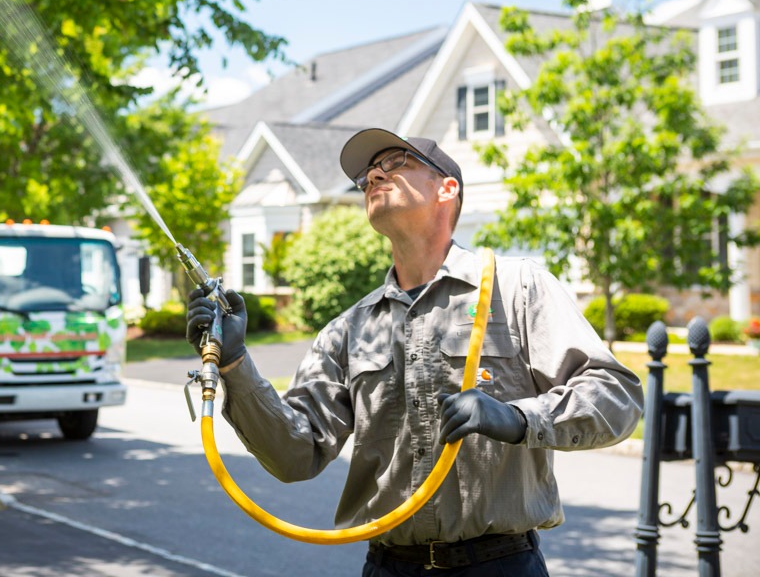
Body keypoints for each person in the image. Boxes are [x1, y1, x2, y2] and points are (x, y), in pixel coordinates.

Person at [187, 128, 644, 576]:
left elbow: (616, 396)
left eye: (394, 163)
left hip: (500, 565)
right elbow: (295, 454)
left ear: (447, 188)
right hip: (389, 566)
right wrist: (234, 363)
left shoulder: (518, 288)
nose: (373, 176)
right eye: (368, 173)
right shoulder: (350, 330)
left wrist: (522, 418)